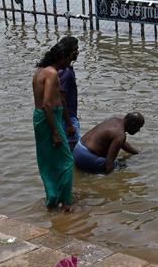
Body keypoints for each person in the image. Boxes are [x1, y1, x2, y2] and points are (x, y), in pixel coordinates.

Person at [33, 42, 75, 211]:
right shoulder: (51, 74)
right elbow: (47, 104)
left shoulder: (40, 72)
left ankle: (52, 198)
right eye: (69, 57)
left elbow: (57, 100)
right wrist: (56, 132)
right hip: (48, 118)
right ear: (61, 58)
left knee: (47, 161)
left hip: (42, 118)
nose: (70, 62)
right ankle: (65, 203)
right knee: (67, 161)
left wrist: (68, 122)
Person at [74, 113, 144, 174]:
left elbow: (121, 143)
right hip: (86, 158)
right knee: (122, 165)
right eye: (138, 127)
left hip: (77, 149)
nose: (138, 130)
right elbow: (109, 164)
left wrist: (136, 153)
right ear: (133, 124)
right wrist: (109, 183)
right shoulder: (120, 135)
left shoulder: (114, 120)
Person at [57, 36, 81, 148]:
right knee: (73, 152)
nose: (78, 52)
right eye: (75, 49)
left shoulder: (64, 69)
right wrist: (69, 124)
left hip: (66, 117)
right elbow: (61, 99)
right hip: (67, 119)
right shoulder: (65, 72)